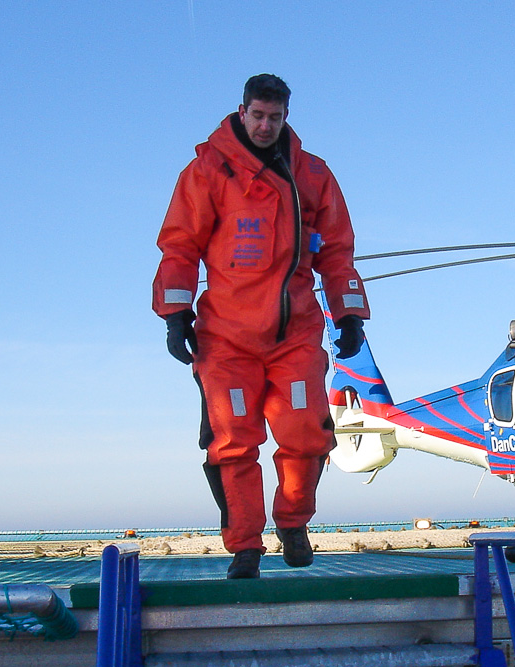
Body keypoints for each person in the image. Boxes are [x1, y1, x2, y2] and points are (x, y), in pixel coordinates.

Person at [152, 74, 370, 578]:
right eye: (258, 115)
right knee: (231, 440)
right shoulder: (206, 172)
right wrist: (175, 312)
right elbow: (180, 244)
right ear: (242, 111)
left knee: (306, 434)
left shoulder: (313, 175)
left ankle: (293, 524)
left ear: (286, 116)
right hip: (225, 339)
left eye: (275, 117)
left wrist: (350, 313)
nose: (266, 125)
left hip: (294, 336)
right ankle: (245, 546)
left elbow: (337, 252)